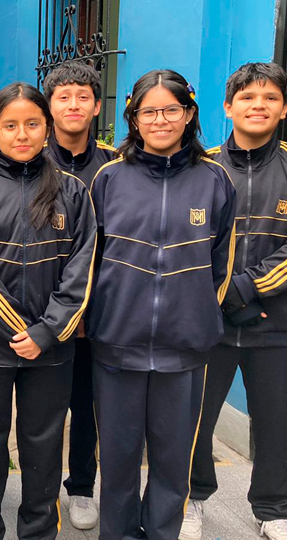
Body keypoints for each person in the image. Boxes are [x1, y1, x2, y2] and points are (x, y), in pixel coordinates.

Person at [181, 62, 287, 540]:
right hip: (209, 323)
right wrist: (219, 296)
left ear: (284, 109)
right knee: (193, 418)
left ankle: (273, 509)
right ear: (228, 107)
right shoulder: (201, 166)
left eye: (270, 98)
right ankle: (191, 498)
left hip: (277, 322)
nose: (258, 106)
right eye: (247, 97)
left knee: (274, 422)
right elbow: (186, 244)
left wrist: (245, 287)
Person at [88, 70, 237, 540]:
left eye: (171, 109)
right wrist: (99, 319)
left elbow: (222, 263)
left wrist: (200, 316)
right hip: (117, 344)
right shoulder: (109, 178)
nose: (160, 120)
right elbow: (90, 260)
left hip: (184, 348)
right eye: (148, 111)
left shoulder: (215, 179)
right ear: (133, 118)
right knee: (118, 459)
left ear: (189, 114)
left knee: (173, 462)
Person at [0, 82, 96, 540]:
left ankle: (38, 530)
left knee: (43, 446)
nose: (22, 134)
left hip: (50, 349)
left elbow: (82, 266)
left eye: (32, 123)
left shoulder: (72, 191)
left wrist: (47, 331)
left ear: (47, 128)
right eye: (10, 125)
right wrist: (18, 329)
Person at [41, 60, 118, 531]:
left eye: (82, 97)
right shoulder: (32, 159)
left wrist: (91, 308)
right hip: (44, 312)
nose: (73, 105)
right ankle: (41, 488)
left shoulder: (115, 165)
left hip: (98, 314)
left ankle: (82, 487)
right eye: (63, 96)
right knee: (44, 408)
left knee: (87, 405)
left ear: (95, 106)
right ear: (49, 105)